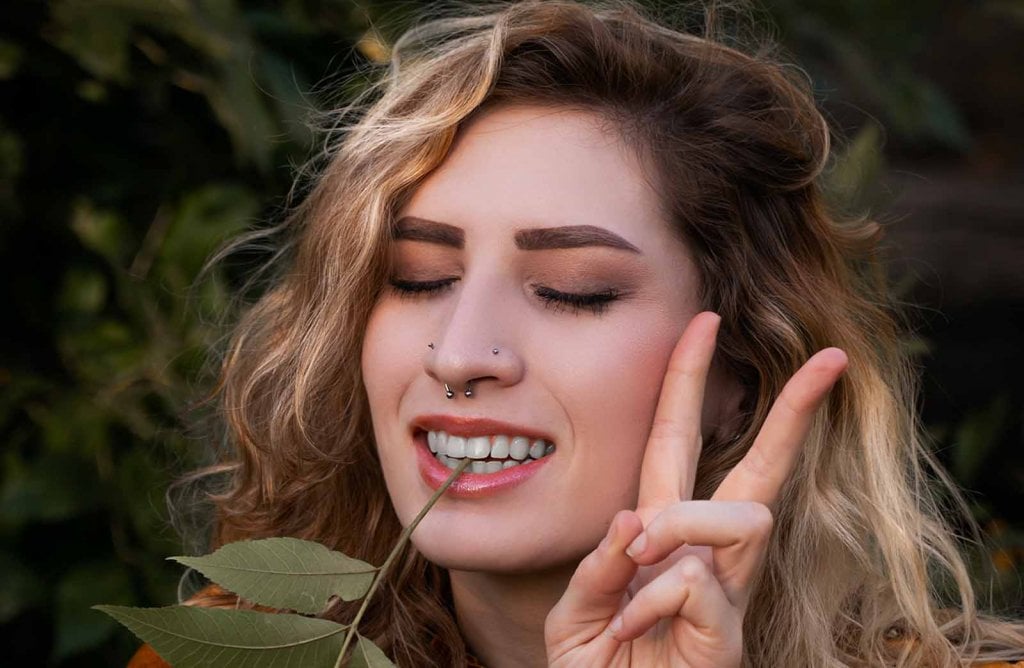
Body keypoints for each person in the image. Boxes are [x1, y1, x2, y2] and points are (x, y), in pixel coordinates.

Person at [130, 1, 1024, 666]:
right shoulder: (222, 651)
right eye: (417, 279)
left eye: (573, 291)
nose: (461, 352)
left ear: (741, 376)